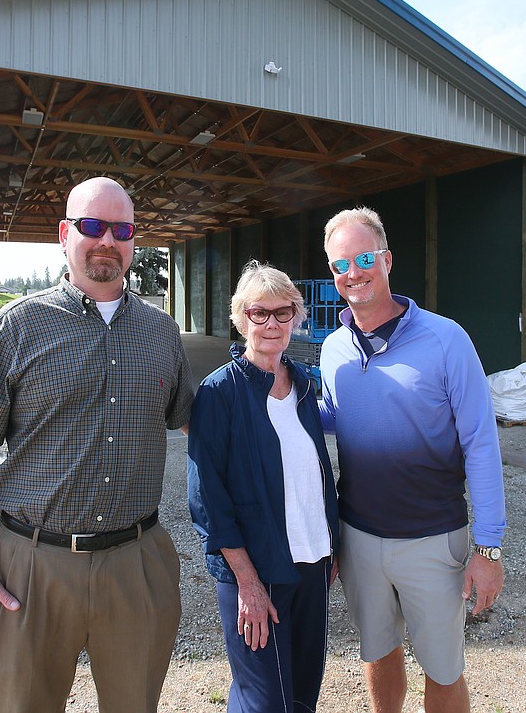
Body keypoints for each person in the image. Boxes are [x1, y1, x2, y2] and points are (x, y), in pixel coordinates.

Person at [0, 176, 194, 713]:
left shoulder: (161, 333)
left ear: (133, 239)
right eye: (92, 226)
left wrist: (271, 372)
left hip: (136, 562)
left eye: (121, 229)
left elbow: (197, 424)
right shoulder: (16, 327)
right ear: (64, 234)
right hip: (32, 566)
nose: (107, 240)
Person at [318, 207, 506, 713]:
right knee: (378, 651)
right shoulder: (333, 348)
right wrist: (269, 401)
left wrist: (488, 549)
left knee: (443, 667)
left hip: (432, 539)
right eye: (341, 265)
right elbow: (338, 415)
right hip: (358, 538)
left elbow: (481, 444)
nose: (353, 273)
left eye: (363, 258)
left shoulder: (447, 340)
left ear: (387, 260)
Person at [188, 260, 340, 713]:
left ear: (297, 316)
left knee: (301, 694)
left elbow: (314, 474)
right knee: (264, 701)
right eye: (259, 313)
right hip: (258, 571)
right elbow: (207, 500)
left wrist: (331, 546)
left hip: (313, 563)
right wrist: (247, 583)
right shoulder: (219, 393)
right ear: (241, 319)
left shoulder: (304, 386)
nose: (271, 323)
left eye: (283, 312)